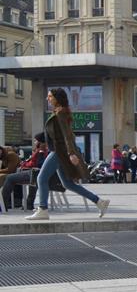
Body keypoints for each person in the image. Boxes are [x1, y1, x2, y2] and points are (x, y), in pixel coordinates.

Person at [27, 89, 110, 220]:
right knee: (67, 184)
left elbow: (67, 136)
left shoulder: (61, 113)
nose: (47, 99)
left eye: (49, 96)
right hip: (60, 151)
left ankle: (42, 209)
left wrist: (71, 153)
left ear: (57, 98)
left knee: (41, 178)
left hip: (59, 151)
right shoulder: (58, 112)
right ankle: (99, 202)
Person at [3, 135, 47, 211]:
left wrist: (24, 164)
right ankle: (28, 204)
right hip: (37, 174)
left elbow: (37, 164)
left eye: (36, 140)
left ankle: (3, 204)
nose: (34, 142)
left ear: (40, 142)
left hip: (33, 173)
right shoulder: (43, 150)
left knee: (9, 177)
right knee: (32, 179)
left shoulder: (41, 151)